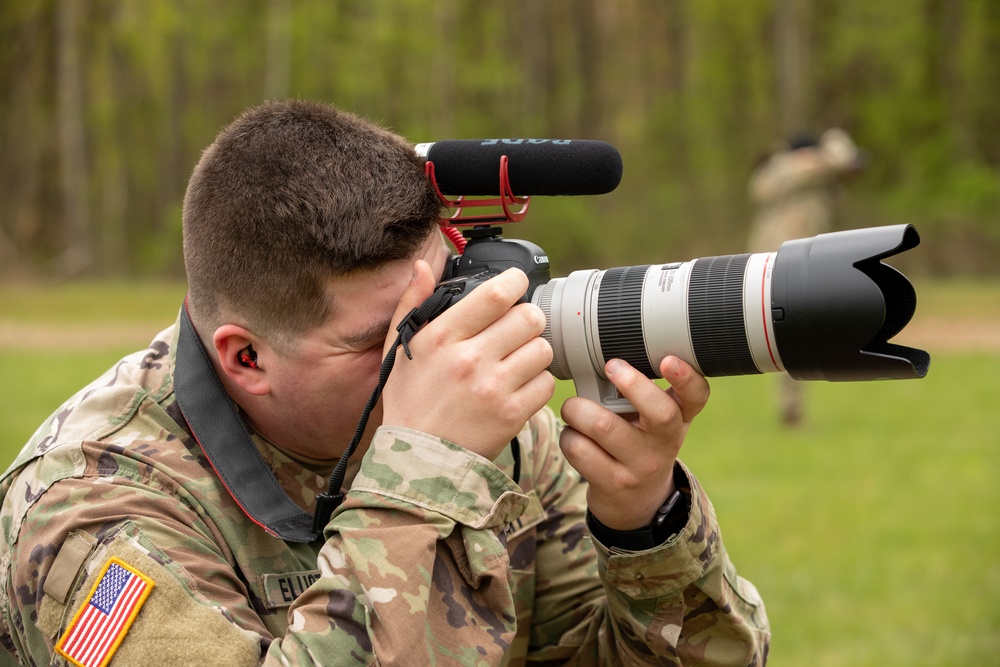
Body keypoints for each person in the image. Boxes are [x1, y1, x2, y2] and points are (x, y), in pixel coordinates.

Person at [0, 100, 769, 665]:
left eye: (443, 301)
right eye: (385, 337)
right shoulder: (87, 511)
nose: (442, 352)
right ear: (246, 359)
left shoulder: (495, 434)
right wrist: (419, 476)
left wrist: (643, 523)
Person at [747, 127, 864, 426]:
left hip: (807, 262)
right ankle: (791, 407)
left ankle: (792, 406)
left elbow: (852, 168)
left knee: (799, 333)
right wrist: (824, 156)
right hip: (773, 262)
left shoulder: (821, 177)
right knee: (788, 333)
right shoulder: (787, 167)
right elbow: (761, 187)